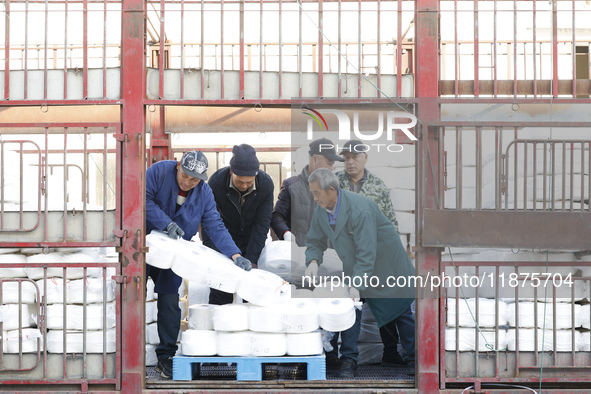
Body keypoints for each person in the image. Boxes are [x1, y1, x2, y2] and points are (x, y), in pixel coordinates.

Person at [145, 151, 252, 379]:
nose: (188, 182)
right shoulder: (157, 172)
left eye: (194, 179)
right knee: (132, 299)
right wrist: (166, 223)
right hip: (144, 246)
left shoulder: (204, 193)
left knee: (169, 301)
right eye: (185, 175)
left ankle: (166, 357)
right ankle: (129, 355)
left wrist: (235, 254)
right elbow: (142, 199)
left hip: (176, 254)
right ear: (177, 166)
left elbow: (214, 225)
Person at [304, 168, 416, 378]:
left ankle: (413, 358)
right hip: (357, 263)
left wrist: (357, 282)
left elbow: (367, 250)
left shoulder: (359, 210)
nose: (314, 197)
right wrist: (312, 261)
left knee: (399, 308)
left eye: (317, 192)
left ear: (331, 190)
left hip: (386, 263)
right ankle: (349, 360)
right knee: (350, 307)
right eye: (312, 192)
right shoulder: (322, 210)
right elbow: (314, 239)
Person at [337, 140, 409, 368]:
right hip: (347, 258)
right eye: (346, 157)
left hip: (377, 258)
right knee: (352, 305)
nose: (349, 161)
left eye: (354, 157)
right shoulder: (335, 184)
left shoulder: (378, 186)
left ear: (365, 157)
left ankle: (391, 352)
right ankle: (348, 358)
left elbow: (390, 223)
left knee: (390, 303)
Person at [203, 144, 274, 305]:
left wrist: (251, 259)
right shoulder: (216, 182)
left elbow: (262, 225)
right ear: (231, 172)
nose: (243, 185)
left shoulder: (265, 184)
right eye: (239, 181)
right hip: (223, 239)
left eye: (249, 182)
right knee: (221, 289)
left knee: (251, 291)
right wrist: (215, 254)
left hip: (250, 239)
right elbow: (209, 221)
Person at [271, 138, 344, 246]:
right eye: (329, 163)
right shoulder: (291, 186)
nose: (331, 168)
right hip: (300, 252)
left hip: (330, 255)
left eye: (333, 164)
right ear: (314, 160)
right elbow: (276, 216)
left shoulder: (338, 188)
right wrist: (285, 233)